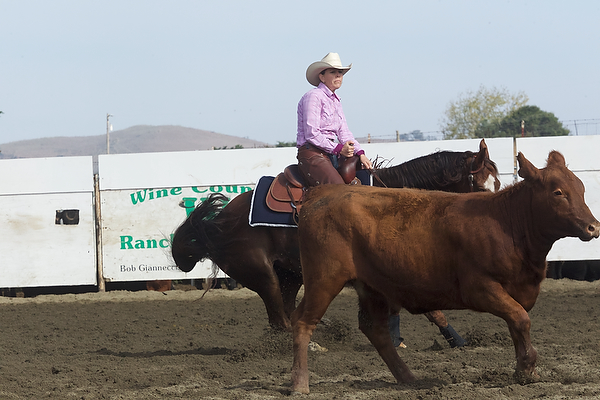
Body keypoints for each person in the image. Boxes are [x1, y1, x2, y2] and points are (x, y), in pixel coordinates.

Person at [296, 52, 373, 186]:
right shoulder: (313, 96)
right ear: (322, 77)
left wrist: (360, 153)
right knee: (339, 190)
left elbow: (344, 132)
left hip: (331, 153)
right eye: (333, 72)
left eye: (340, 72)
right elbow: (312, 134)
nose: (338, 75)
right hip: (312, 153)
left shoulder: (336, 101)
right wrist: (339, 149)